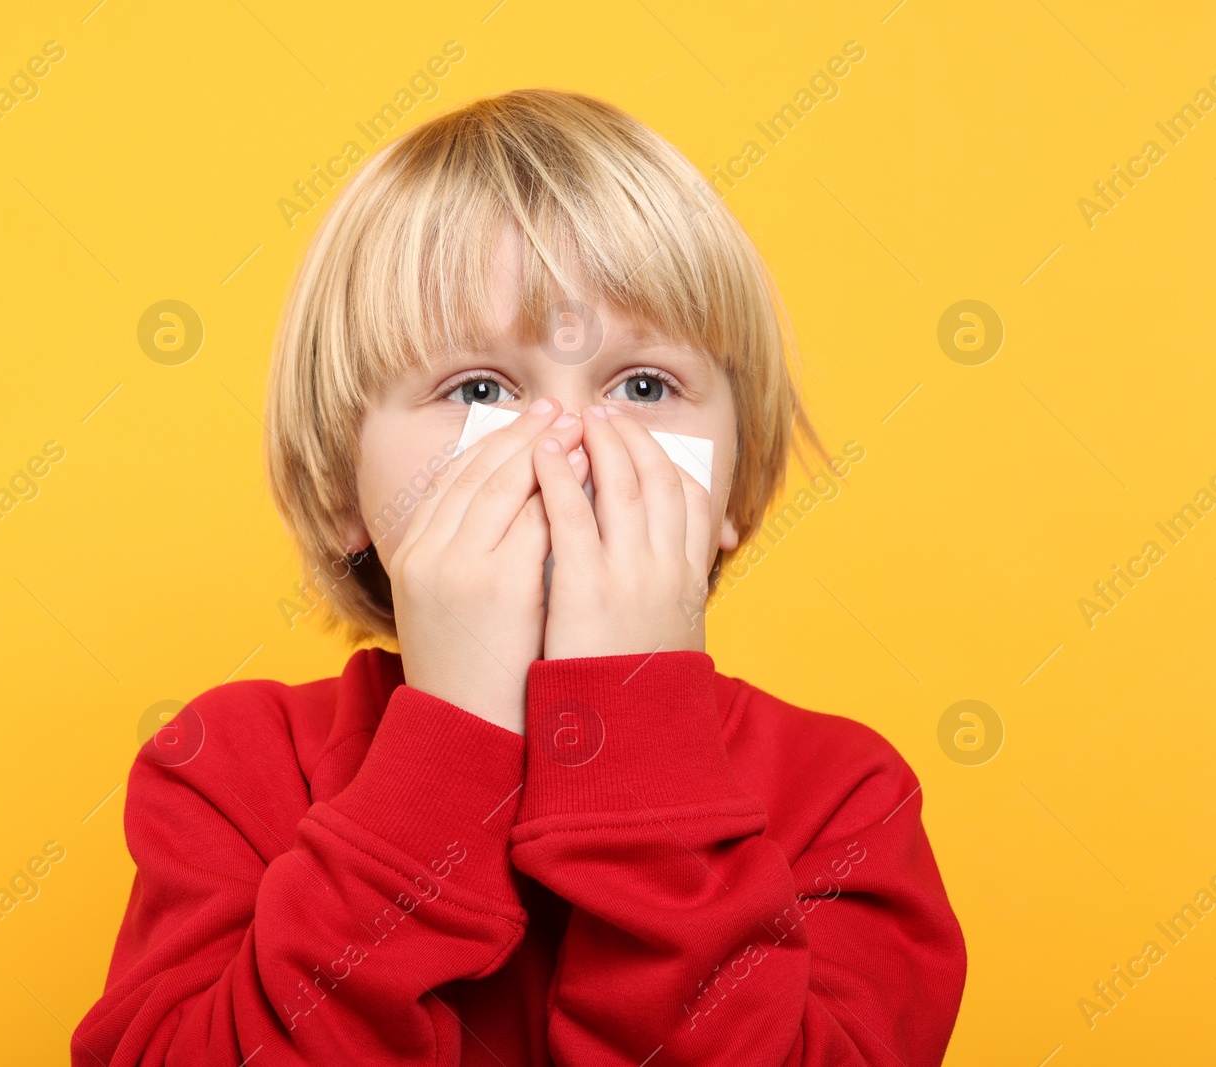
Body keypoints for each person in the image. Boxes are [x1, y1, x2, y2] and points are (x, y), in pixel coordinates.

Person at [75, 88, 966, 1066]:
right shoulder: (226, 772)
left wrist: (638, 750)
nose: (569, 444)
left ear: (728, 490)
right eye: (480, 389)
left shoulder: (844, 800)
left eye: (642, 385)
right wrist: (451, 742)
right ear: (341, 489)